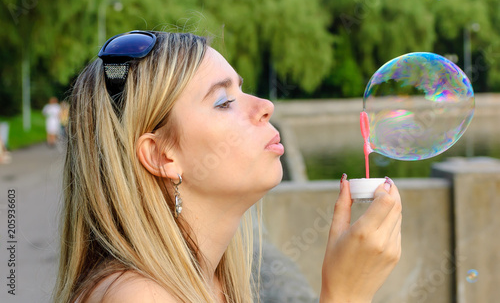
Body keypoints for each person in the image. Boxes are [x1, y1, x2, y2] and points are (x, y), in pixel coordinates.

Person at [53, 31, 402, 303]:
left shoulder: (211, 281)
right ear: (161, 155)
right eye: (224, 102)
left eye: (242, 89)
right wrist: (346, 293)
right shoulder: (137, 296)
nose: (265, 105)